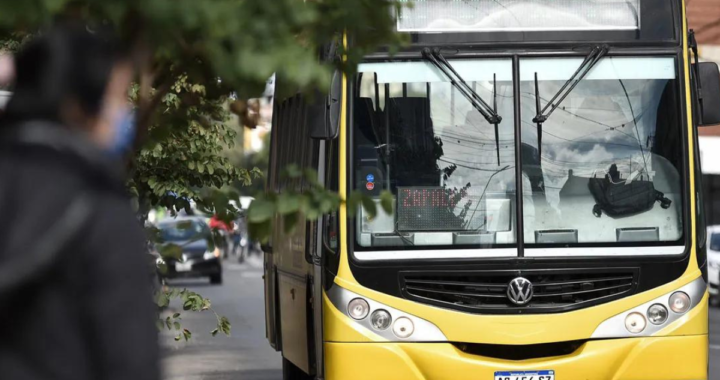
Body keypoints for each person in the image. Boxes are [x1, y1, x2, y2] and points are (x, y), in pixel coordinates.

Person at [0, 25, 159, 380]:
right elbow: (131, 361)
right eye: (118, 97)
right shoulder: (99, 210)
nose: (125, 111)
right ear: (76, 107)